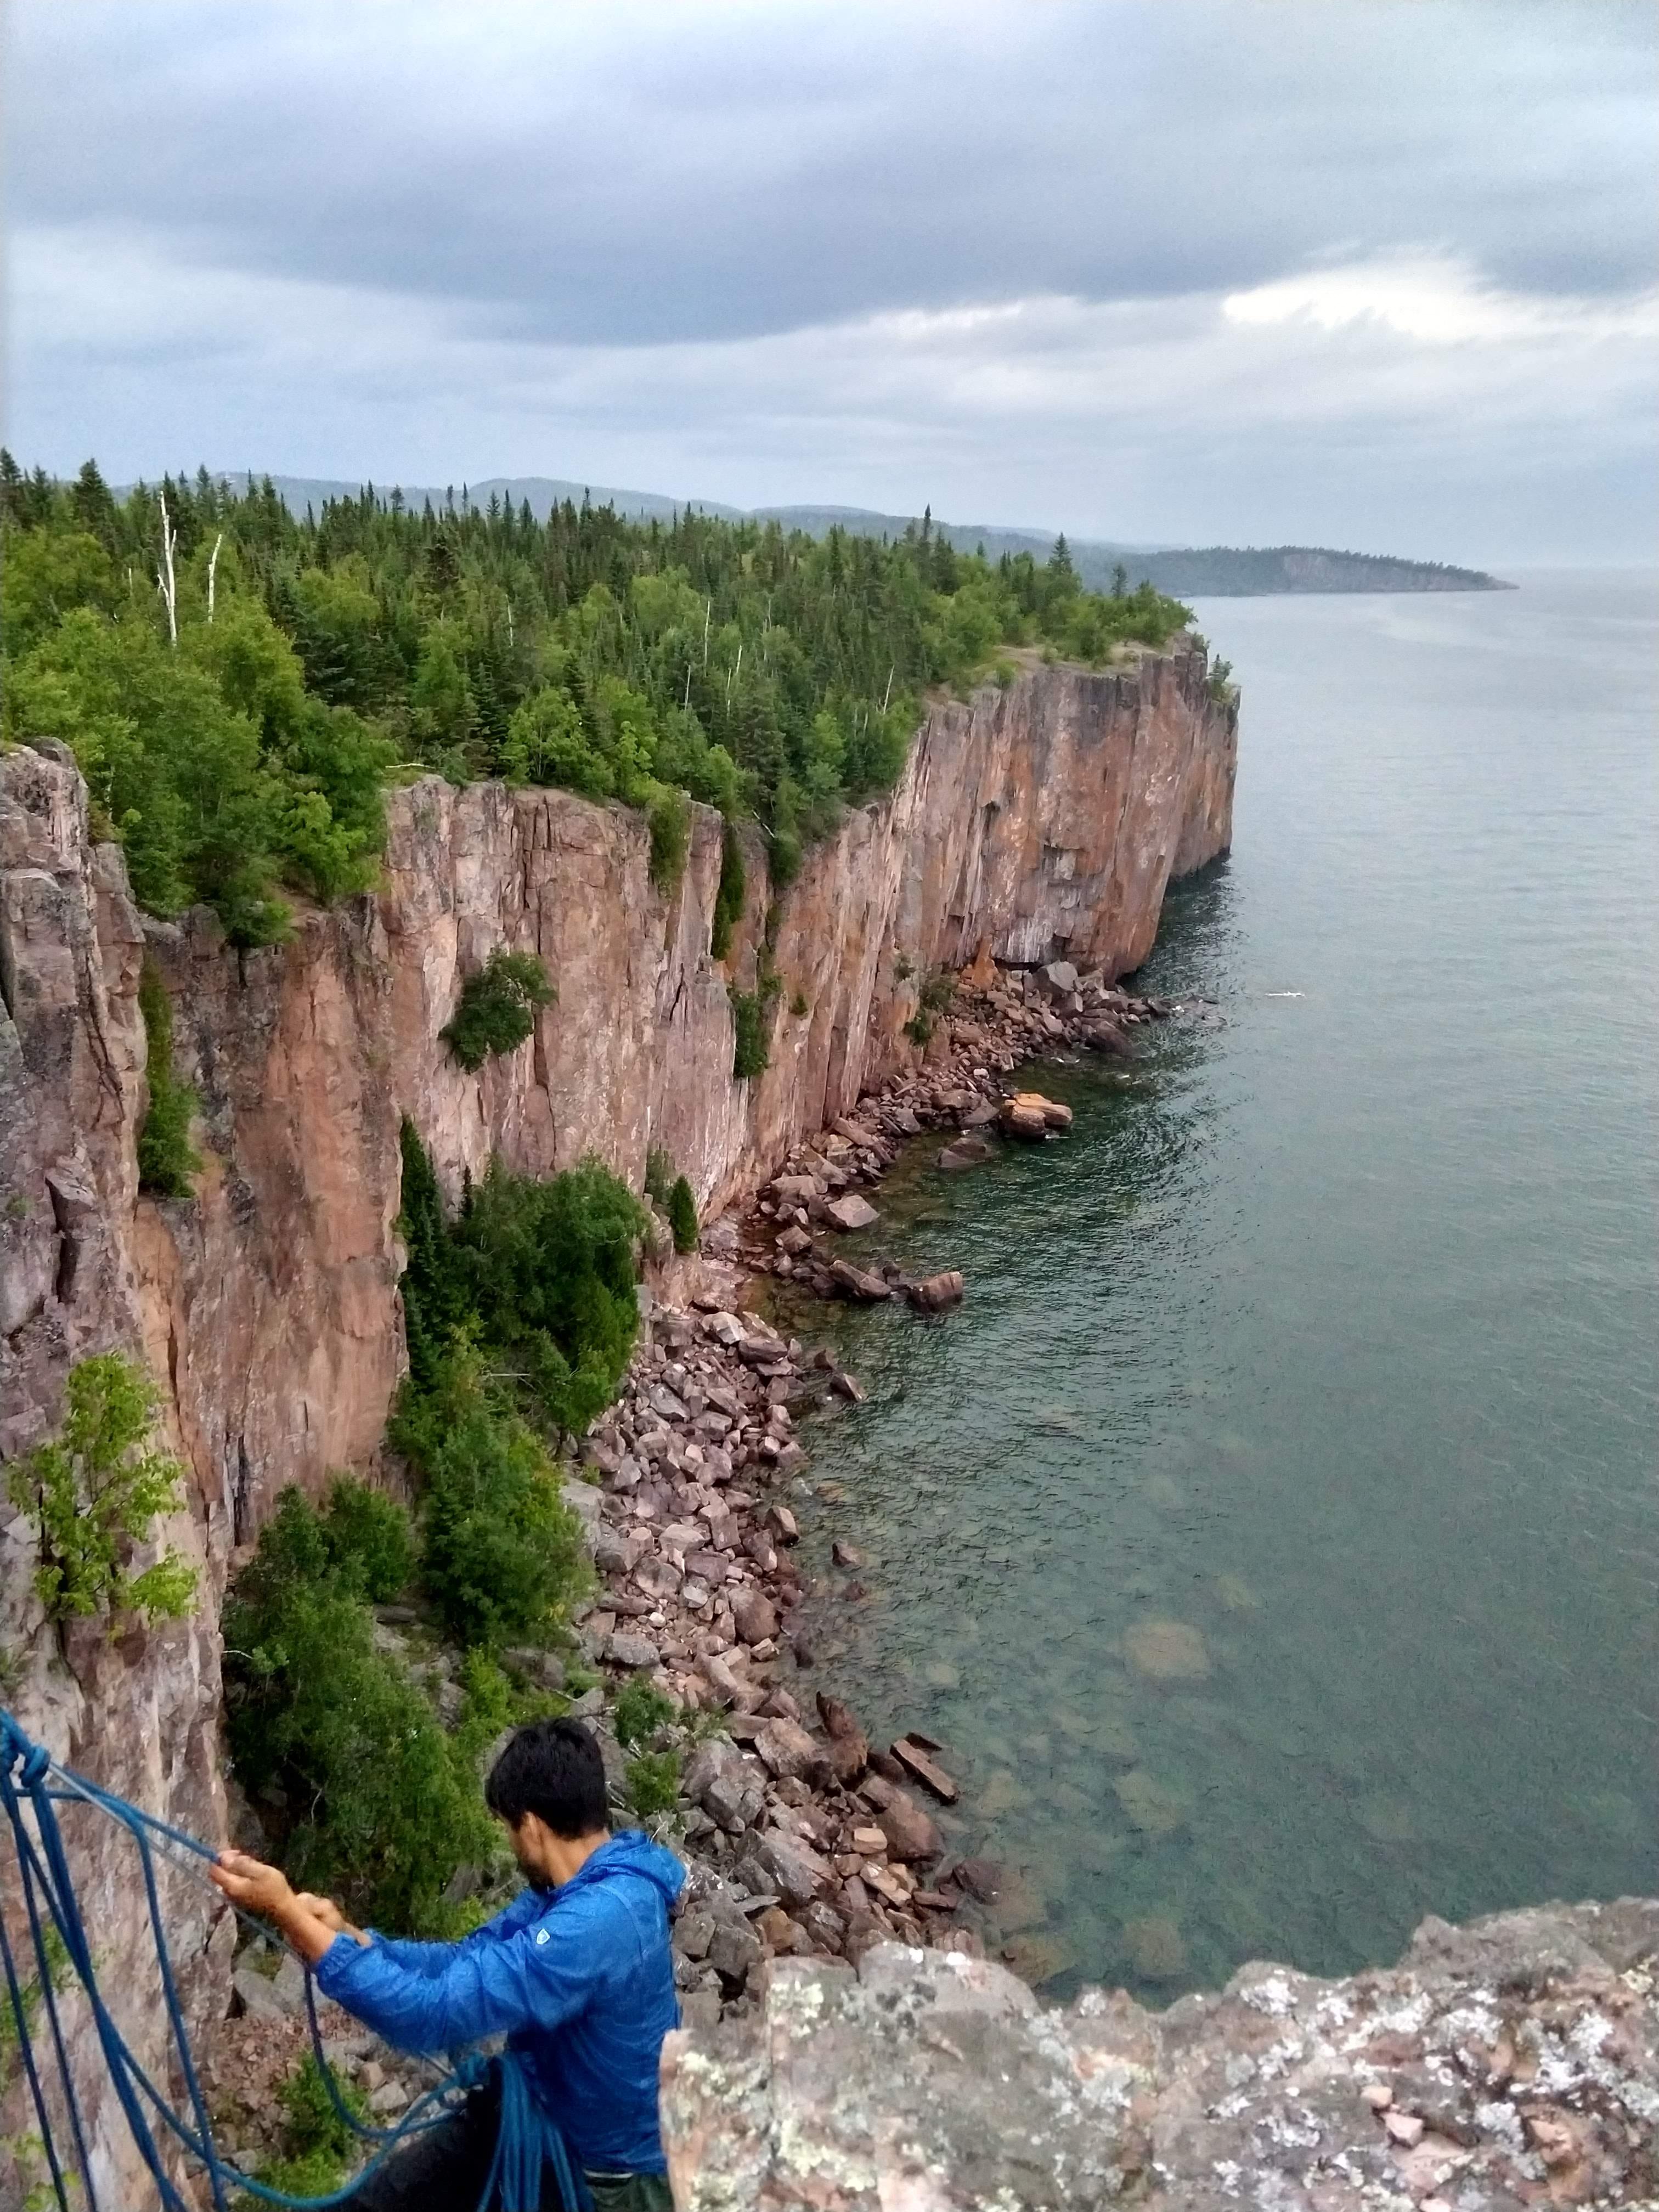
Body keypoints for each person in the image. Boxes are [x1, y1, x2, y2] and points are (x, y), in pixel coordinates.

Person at [210, 1716, 683, 2211]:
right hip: (541, 2118)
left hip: (603, 2175)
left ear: (532, 1826)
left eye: (508, 1829)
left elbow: (431, 2016)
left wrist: (287, 1911)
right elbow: (465, 1962)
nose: (511, 1844)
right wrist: (348, 1938)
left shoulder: (596, 1923)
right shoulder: (573, 1891)